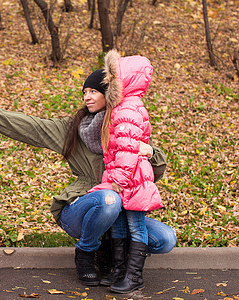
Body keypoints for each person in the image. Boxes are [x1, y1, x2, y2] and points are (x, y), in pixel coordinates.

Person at [0, 60, 176, 287]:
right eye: (84, 92)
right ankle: (86, 253)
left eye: (94, 91)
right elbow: (33, 127)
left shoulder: (126, 125)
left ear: (110, 93)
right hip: (83, 208)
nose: (87, 97)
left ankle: (114, 256)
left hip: (123, 208)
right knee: (109, 199)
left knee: (166, 239)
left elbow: (151, 173)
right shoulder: (74, 128)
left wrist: (150, 151)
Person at [86, 50, 163, 293]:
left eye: (113, 78)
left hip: (132, 178)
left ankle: (134, 277)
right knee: (119, 224)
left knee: (135, 226)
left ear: (126, 81)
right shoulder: (122, 106)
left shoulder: (128, 108)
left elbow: (129, 147)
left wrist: (117, 179)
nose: (108, 84)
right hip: (120, 175)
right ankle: (119, 271)